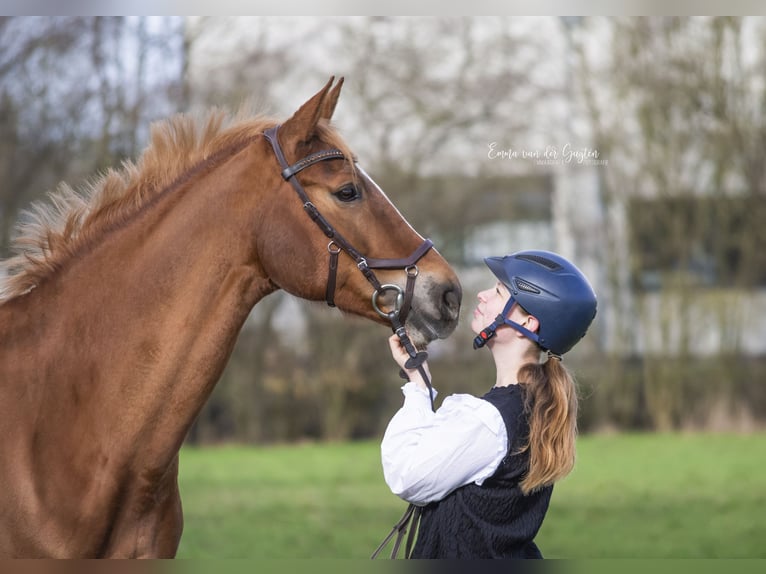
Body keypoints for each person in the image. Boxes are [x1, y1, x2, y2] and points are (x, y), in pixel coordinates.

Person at [381, 250, 597, 559]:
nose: (482, 296)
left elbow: (406, 475)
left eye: (498, 292)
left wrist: (418, 390)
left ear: (529, 322)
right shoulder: (530, 409)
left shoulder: (489, 422)